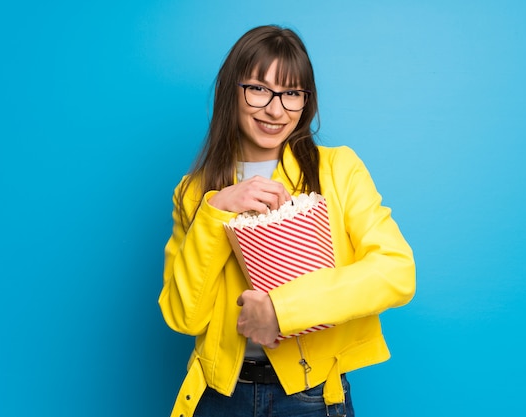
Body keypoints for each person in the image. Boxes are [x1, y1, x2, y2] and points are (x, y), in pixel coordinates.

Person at [159, 25, 416, 417]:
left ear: (305, 101)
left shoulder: (337, 170)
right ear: (233, 91)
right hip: (218, 397)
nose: (276, 110)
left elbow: (395, 272)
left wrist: (282, 311)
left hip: (310, 395)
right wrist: (216, 211)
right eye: (260, 89)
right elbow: (182, 316)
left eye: (292, 93)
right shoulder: (194, 192)